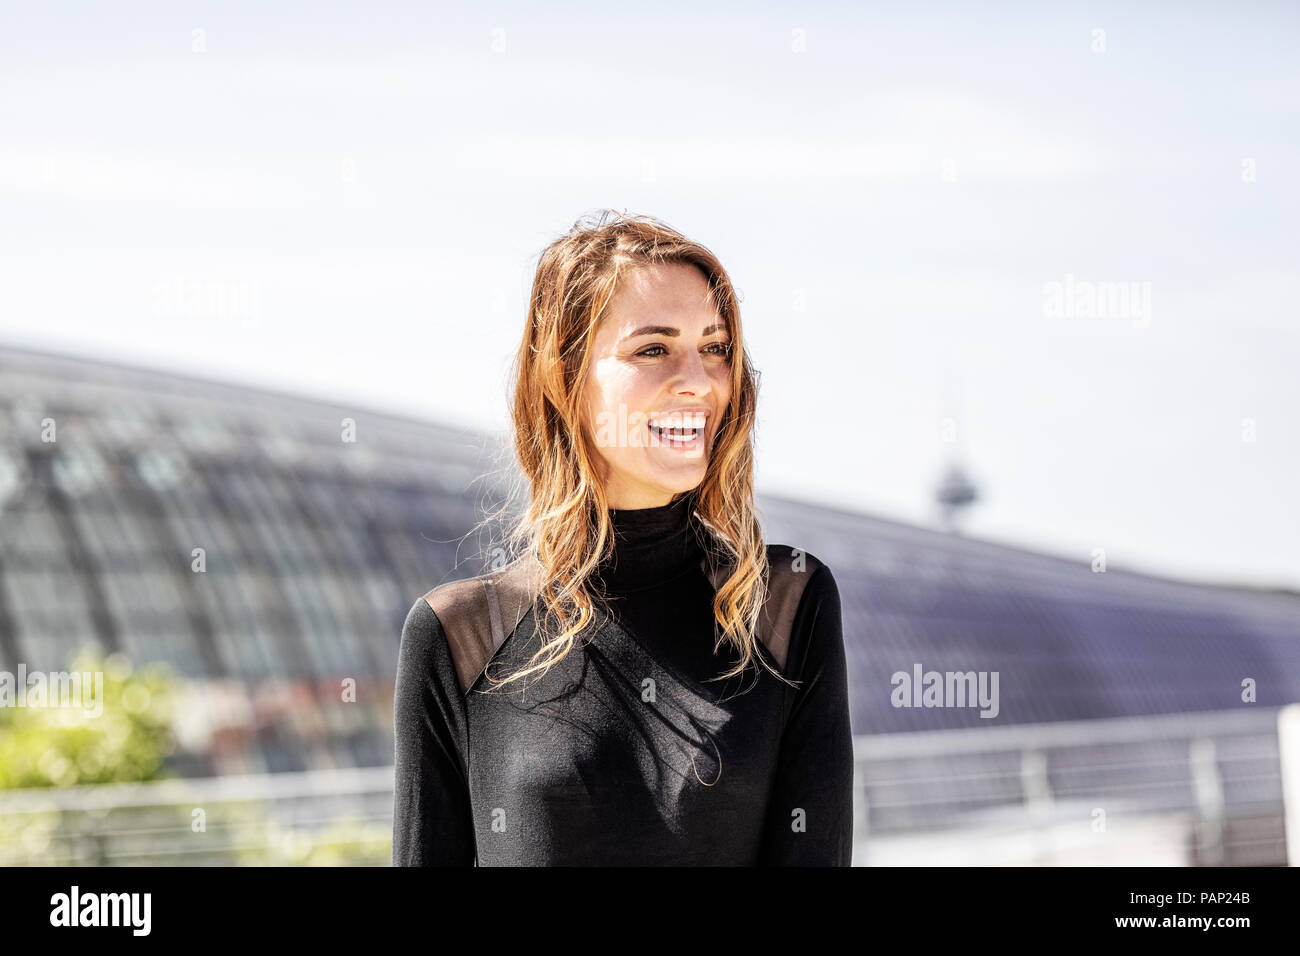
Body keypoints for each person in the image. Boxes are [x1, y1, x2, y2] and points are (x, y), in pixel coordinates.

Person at [392, 210, 853, 865]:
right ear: (566, 376)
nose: (699, 380)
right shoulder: (462, 635)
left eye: (715, 347)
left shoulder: (784, 605)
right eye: (653, 348)